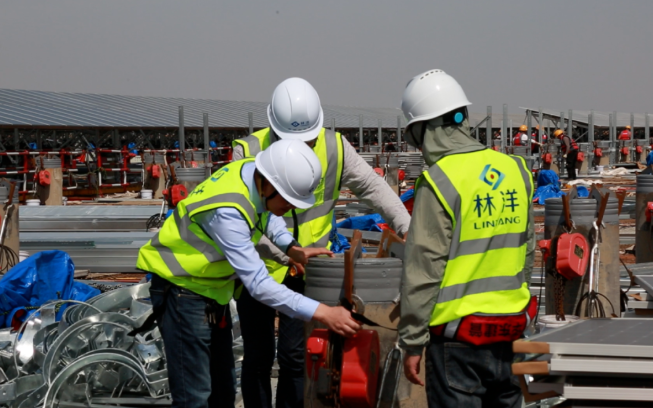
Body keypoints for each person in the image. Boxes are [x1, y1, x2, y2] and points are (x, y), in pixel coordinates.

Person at [136, 140, 362, 408]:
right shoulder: (227, 212)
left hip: (209, 292)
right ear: (269, 184)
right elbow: (259, 285)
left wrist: (291, 248)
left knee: (223, 390)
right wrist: (324, 312)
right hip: (182, 292)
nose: (291, 208)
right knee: (194, 397)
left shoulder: (251, 172)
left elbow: (267, 213)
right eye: (288, 200)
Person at [231, 77, 411, 408]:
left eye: (308, 140)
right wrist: (285, 254)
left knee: (296, 356)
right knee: (258, 356)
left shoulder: (334, 148)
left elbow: (372, 187)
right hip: (257, 264)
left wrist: (407, 227)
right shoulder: (250, 151)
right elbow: (242, 221)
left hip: (307, 271)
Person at [398, 69, 535, 408]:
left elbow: (423, 269)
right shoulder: (516, 170)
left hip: (458, 341)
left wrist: (412, 341)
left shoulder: (439, 182)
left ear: (422, 129)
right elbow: (527, 253)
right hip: (512, 331)